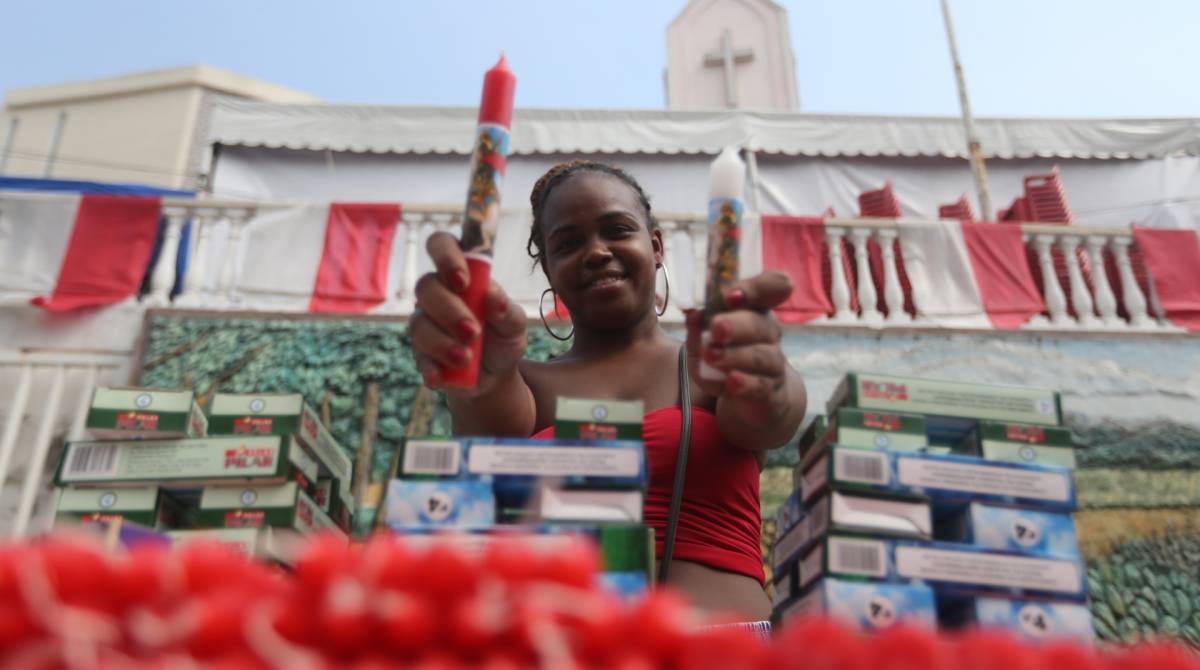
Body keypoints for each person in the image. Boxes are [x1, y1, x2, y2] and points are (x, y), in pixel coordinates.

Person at [410, 160, 807, 622]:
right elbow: (486, 415)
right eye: (569, 243)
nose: (597, 252)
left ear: (655, 245)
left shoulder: (714, 363)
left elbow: (775, 415)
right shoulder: (520, 382)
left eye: (616, 230)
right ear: (549, 270)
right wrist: (472, 374)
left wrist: (766, 380)